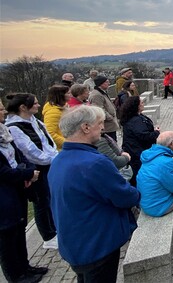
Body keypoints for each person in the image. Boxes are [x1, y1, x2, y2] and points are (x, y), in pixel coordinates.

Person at [48, 105, 140, 283]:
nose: (103, 128)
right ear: (85, 127)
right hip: (98, 244)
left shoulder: (58, 160)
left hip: (75, 243)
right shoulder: (95, 163)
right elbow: (125, 197)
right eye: (99, 123)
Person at [0, 99, 47, 283]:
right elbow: (2, 171)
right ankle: (15, 276)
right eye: (1, 110)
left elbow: (18, 154)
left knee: (19, 230)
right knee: (7, 237)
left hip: (17, 188)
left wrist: (29, 170)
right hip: (4, 194)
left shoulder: (4, 132)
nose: (4, 112)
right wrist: (27, 173)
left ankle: (25, 267)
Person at [5, 94, 58, 251]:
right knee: (41, 201)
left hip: (49, 163)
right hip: (37, 167)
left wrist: (54, 156)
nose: (38, 105)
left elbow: (47, 141)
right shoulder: (14, 127)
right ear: (23, 107)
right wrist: (49, 160)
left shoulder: (35, 121)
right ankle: (48, 236)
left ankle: (54, 228)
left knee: (49, 198)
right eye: (34, 103)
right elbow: (29, 150)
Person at [137, 131, 173, 217]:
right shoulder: (166, 162)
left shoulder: (150, 155)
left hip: (147, 203)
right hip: (158, 206)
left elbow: (170, 177)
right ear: (171, 143)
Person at [121, 96, 160, 186]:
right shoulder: (135, 120)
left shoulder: (137, 117)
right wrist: (156, 133)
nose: (143, 104)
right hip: (137, 153)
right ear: (136, 106)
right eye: (141, 103)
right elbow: (143, 135)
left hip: (137, 151)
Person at [88, 76, 119, 141]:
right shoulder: (97, 95)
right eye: (106, 82)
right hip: (106, 127)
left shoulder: (102, 92)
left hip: (110, 126)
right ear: (101, 83)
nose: (109, 83)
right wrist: (109, 117)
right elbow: (99, 109)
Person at [42, 85, 70, 150]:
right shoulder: (53, 112)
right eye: (68, 93)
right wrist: (67, 143)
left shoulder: (64, 108)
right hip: (60, 149)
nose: (70, 95)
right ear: (60, 95)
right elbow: (50, 133)